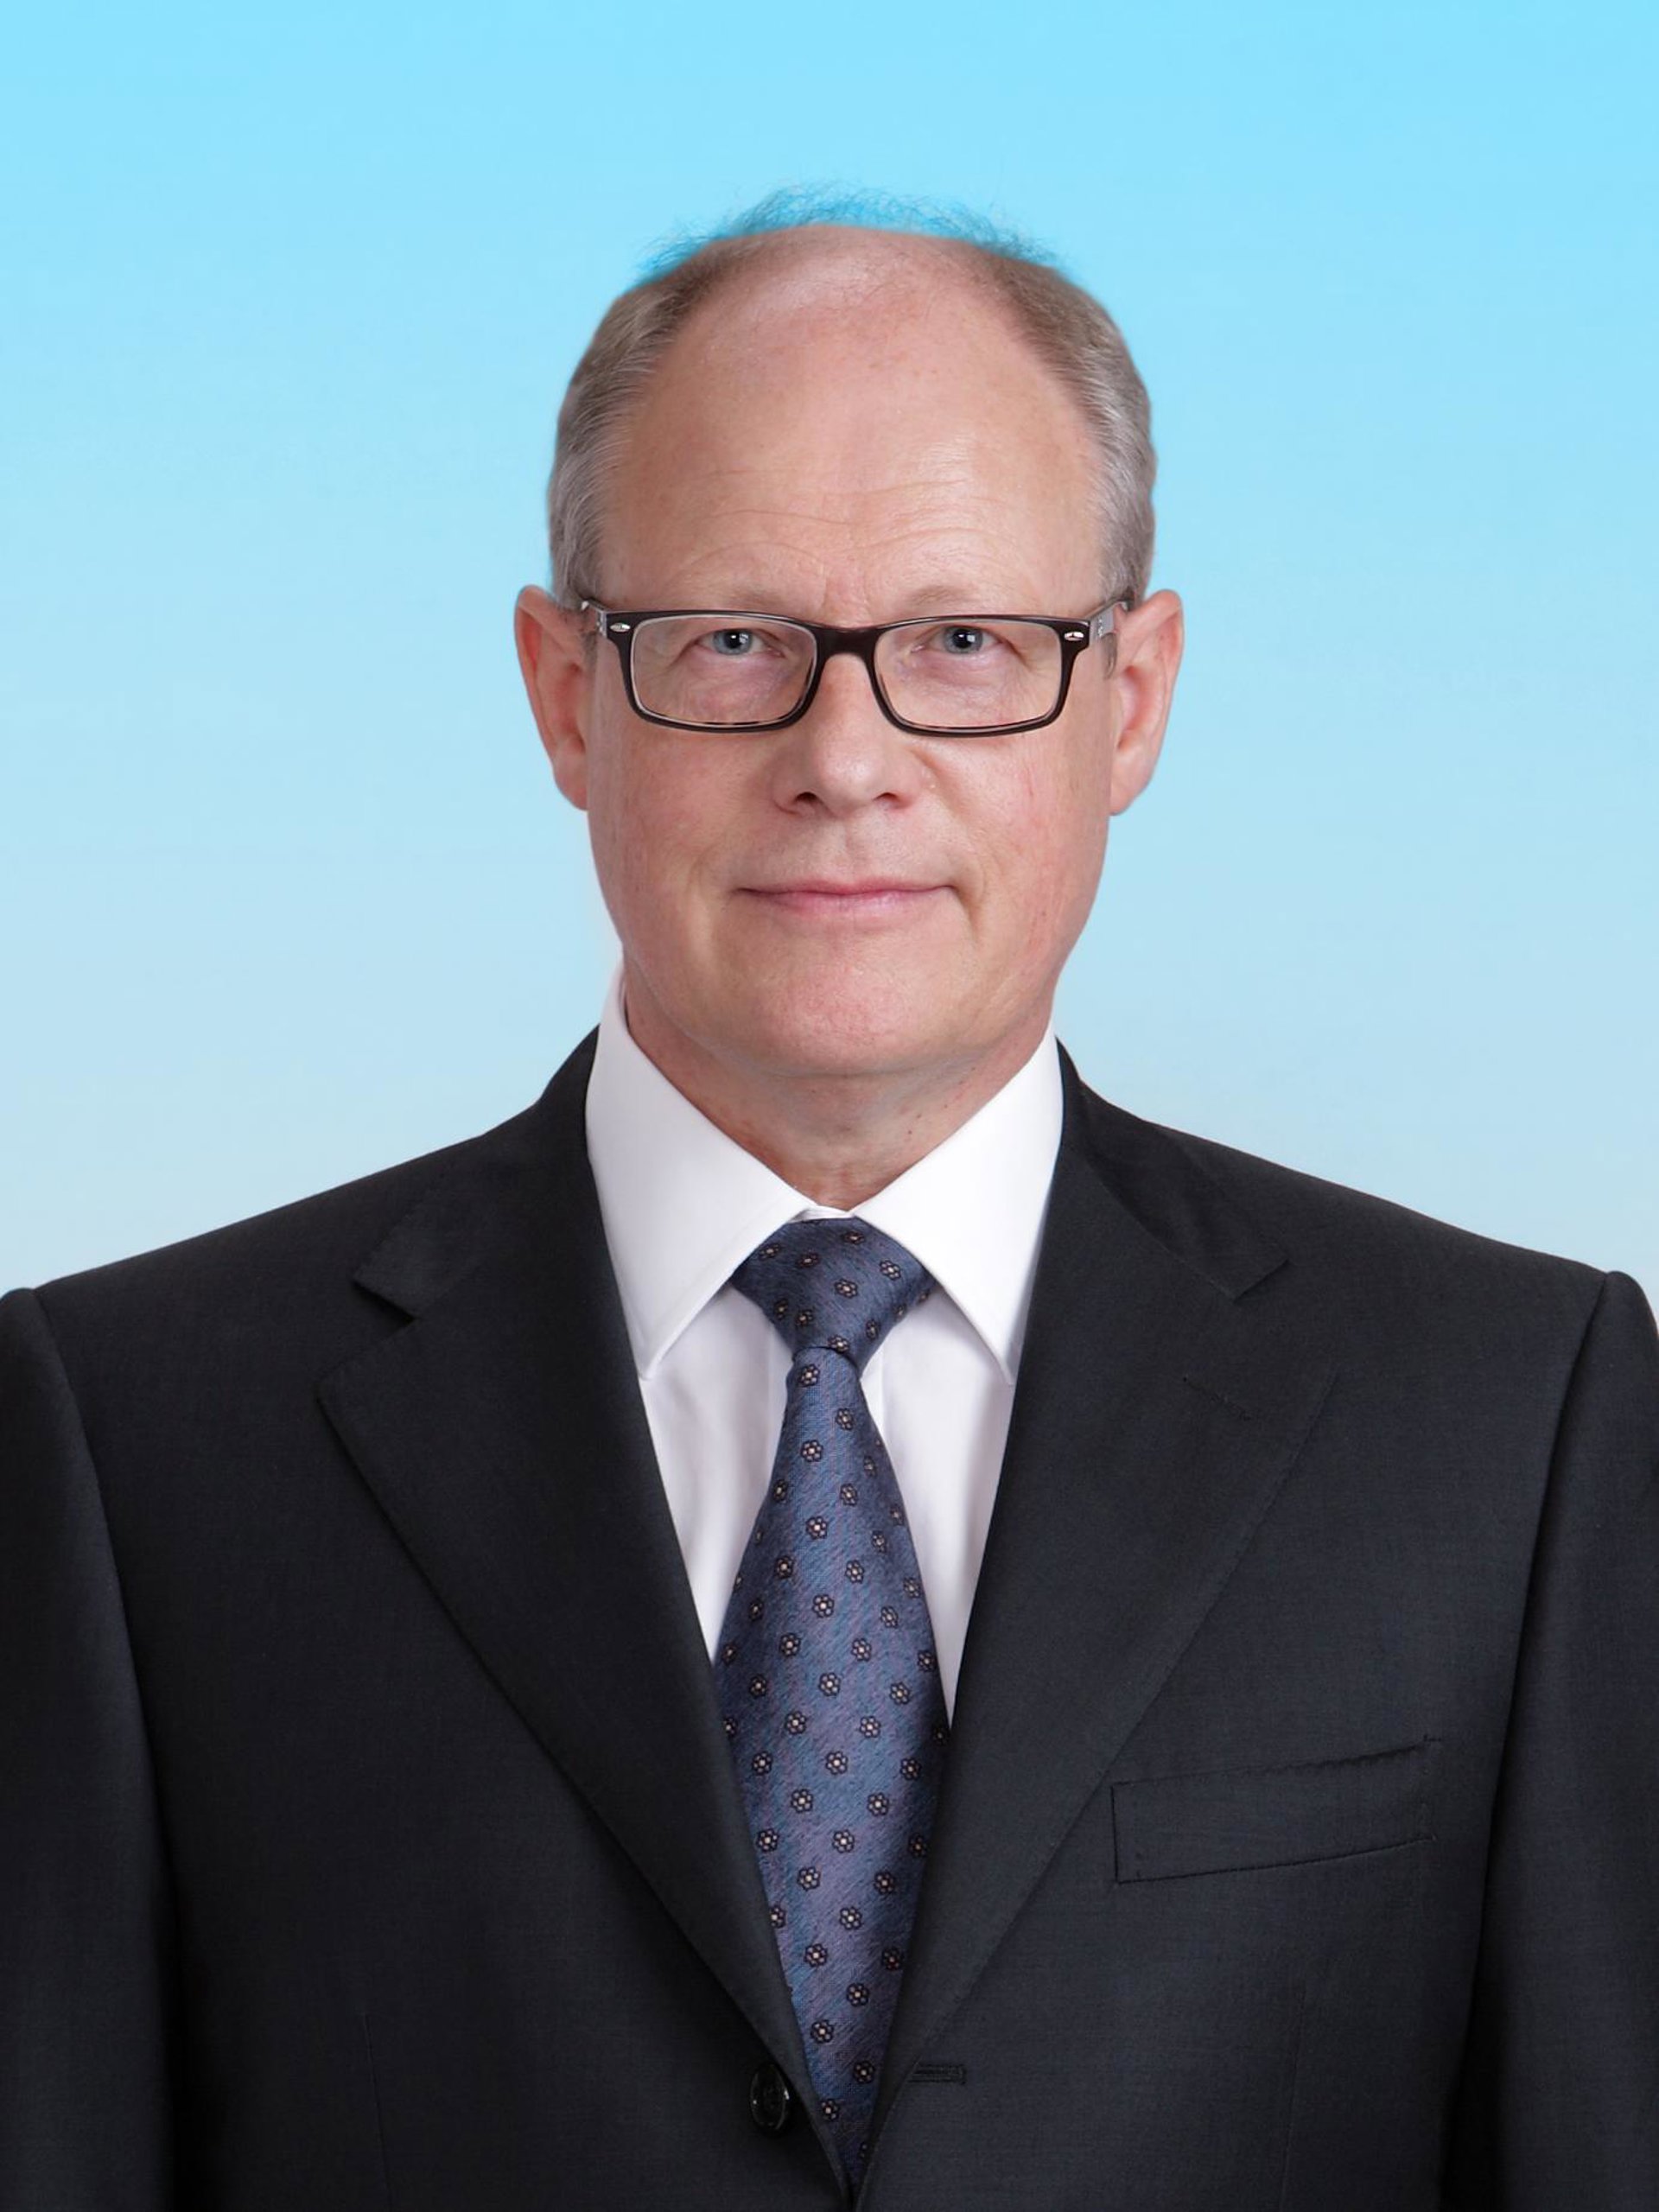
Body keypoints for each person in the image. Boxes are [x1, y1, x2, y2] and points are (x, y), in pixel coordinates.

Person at [3, 196, 1656, 2212]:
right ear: (564, 691)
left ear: (1133, 697)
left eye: (964, 642)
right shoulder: (130, 1439)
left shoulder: (1510, 1420)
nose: (845, 756)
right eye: (732, 641)